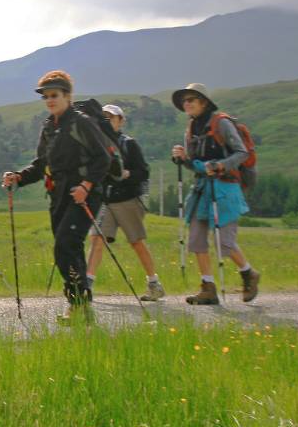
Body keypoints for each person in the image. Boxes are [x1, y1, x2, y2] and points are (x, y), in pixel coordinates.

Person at [2, 70, 111, 324]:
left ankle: (78, 306)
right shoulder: (49, 128)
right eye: (46, 96)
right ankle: (82, 308)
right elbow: (41, 165)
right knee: (70, 249)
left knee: (64, 246)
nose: (50, 100)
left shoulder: (81, 123)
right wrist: (18, 177)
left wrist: (86, 185)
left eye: (55, 95)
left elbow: (103, 158)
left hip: (85, 196)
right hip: (59, 195)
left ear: (68, 96)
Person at [171, 82, 261, 305]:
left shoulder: (221, 123)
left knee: (225, 242)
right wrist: (183, 159)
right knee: (197, 239)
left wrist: (220, 166)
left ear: (204, 102)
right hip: (202, 188)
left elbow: (242, 152)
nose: (187, 103)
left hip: (225, 188)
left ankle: (248, 273)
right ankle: (207, 288)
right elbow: (195, 165)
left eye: (191, 99)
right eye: (185, 100)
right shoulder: (191, 128)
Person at [86, 104, 165, 301]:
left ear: (121, 121)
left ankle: (154, 283)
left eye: (111, 118)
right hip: (106, 200)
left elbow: (144, 172)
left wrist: (127, 174)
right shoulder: (97, 144)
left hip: (128, 199)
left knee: (136, 242)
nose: (106, 121)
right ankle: (86, 286)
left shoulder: (129, 144)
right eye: (103, 117)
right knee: (96, 240)